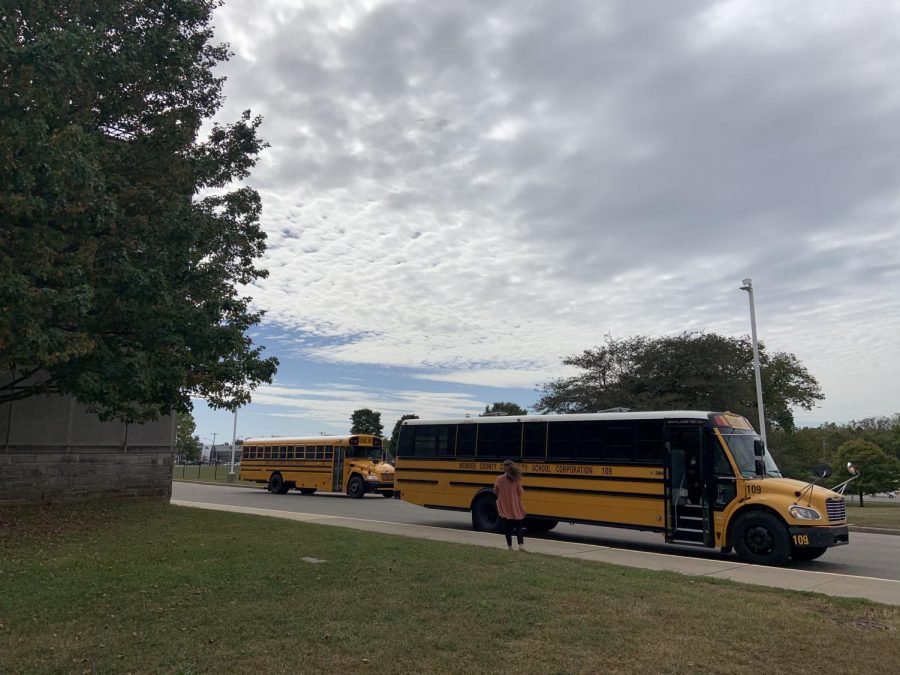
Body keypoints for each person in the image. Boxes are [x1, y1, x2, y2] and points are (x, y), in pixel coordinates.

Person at [494, 459, 527, 552]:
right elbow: (520, 492)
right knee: (519, 527)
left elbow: (495, 491)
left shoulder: (499, 479)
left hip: (504, 507)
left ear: (504, 468)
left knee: (508, 528)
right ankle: (521, 546)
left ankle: (510, 547)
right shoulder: (516, 479)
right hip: (515, 507)